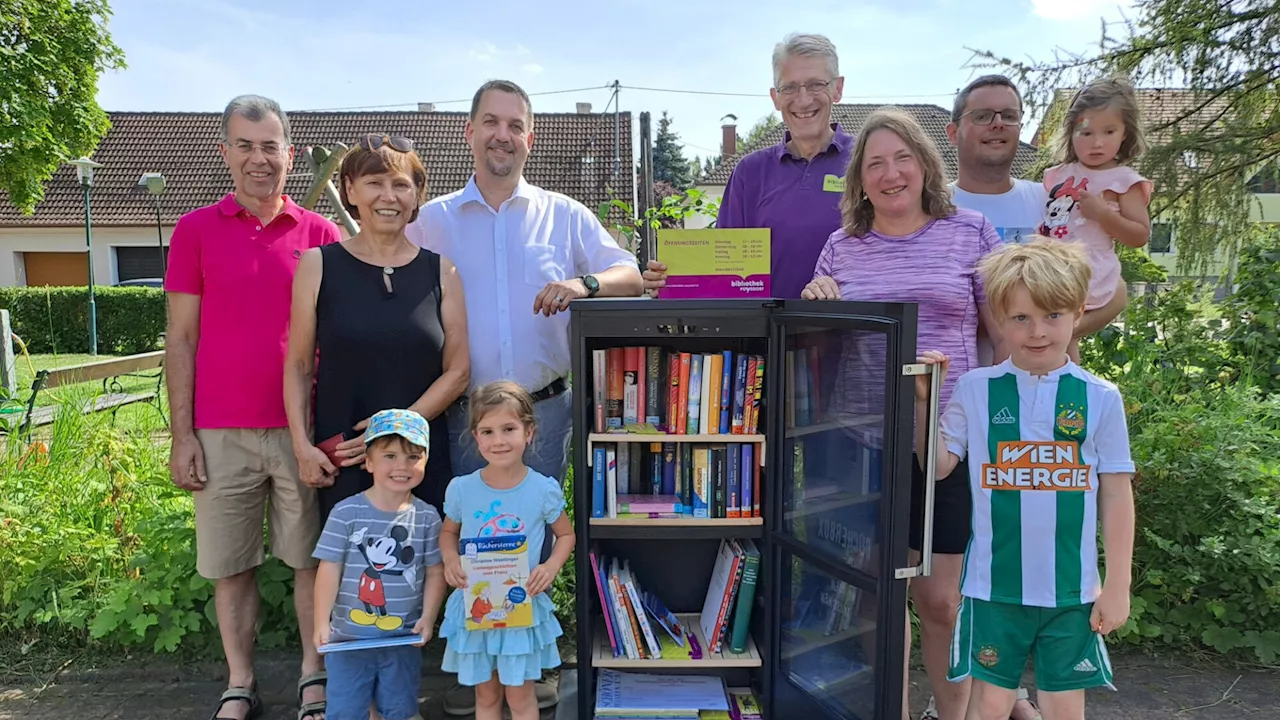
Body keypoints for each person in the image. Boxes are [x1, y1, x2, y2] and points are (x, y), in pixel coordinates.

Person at [405, 79, 641, 715]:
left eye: (514, 124)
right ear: (470, 131)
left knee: (532, 537)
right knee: (478, 534)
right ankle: (484, 671)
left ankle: (530, 668)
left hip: (545, 410)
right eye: (490, 122)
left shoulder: (564, 214)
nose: (502, 134)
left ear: (529, 137)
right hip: (465, 412)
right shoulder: (432, 222)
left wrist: (582, 282)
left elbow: (632, 274)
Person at [798, 107, 1001, 720]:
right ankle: (892, 711)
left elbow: (1006, 330)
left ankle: (952, 713)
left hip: (949, 443)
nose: (890, 174)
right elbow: (817, 336)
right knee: (875, 600)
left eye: (902, 158)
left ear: (924, 164)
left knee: (940, 600)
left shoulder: (971, 231)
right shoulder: (841, 247)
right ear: (860, 181)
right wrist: (816, 299)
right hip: (862, 442)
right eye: (875, 164)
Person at [164, 94, 339, 720]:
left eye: (270, 147)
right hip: (220, 430)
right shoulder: (194, 231)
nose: (259, 159)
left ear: (290, 155)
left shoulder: (322, 235)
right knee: (229, 566)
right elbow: (180, 338)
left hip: (303, 430)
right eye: (245, 145)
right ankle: (240, 682)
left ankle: (312, 675)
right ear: (226, 153)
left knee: (309, 561)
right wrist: (181, 434)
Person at [913, 238, 1134, 720]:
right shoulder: (975, 389)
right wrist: (924, 404)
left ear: (1077, 312)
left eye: (1053, 315)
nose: (1037, 331)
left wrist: (1118, 583)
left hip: (1071, 592)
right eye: (1021, 318)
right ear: (999, 316)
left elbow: (1116, 492)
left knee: (1063, 706)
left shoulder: (1101, 397)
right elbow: (940, 466)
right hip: (993, 589)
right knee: (989, 703)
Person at [284, 133, 469, 523]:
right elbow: (299, 367)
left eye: (401, 184)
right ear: (350, 189)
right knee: (348, 575)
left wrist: (400, 426)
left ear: (417, 195)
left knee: (428, 574)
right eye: (374, 183)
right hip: (346, 459)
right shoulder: (318, 265)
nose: (389, 196)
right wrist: (302, 446)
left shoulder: (443, 272)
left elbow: (458, 372)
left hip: (419, 457)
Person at [941, 74, 1052, 720]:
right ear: (954, 132)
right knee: (961, 571)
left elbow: (1076, 296)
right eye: (983, 116)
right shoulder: (939, 204)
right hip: (960, 407)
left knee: (1015, 559)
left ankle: (1010, 691)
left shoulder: (1046, 203)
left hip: (1030, 404)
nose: (998, 126)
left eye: (1009, 115)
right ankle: (981, 696)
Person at [642, 32, 851, 299]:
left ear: (837, 89)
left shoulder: (867, 163)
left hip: (853, 334)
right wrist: (673, 280)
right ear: (775, 97)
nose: (803, 99)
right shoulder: (750, 173)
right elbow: (723, 271)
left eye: (815, 85)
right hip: (768, 338)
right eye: (789, 87)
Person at [437, 381, 575, 720]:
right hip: (476, 608)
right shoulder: (462, 489)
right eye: (488, 431)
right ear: (475, 436)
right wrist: (451, 560)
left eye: (508, 429)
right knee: (484, 698)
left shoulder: (542, 489)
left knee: (521, 698)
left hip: (520, 607)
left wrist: (550, 567)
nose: (498, 440)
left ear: (528, 432)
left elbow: (567, 535)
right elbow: (447, 532)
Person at [312, 408, 446, 720]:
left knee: (400, 710)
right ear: (369, 462)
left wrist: (428, 617)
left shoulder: (427, 517)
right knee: (346, 711)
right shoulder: (346, 513)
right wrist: (321, 622)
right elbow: (328, 568)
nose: (402, 466)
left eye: (413, 456)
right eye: (389, 456)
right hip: (348, 640)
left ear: (426, 461)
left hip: (402, 640)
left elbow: (436, 571)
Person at [1038, 76, 1152, 362]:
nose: (1097, 143)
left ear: (1124, 133)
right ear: (1071, 132)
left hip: (1089, 271)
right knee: (1051, 340)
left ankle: (1067, 394)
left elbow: (1139, 235)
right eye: (1086, 133)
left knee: (1061, 337)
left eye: (1109, 132)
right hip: (1051, 266)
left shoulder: (1123, 181)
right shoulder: (1060, 174)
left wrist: (1103, 215)